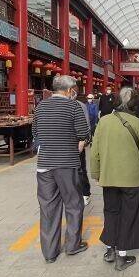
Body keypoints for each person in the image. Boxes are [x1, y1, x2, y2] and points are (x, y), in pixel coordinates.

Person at [90, 87, 139, 271]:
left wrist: (96, 173)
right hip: (131, 179)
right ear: (134, 103)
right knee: (129, 214)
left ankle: (110, 249)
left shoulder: (104, 122)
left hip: (109, 176)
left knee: (111, 211)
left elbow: (95, 151)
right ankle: (122, 255)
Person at [33, 75, 90, 263]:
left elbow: (35, 133)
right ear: (68, 90)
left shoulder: (40, 107)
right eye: (74, 89)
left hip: (44, 164)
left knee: (48, 207)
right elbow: (83, 133)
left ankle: (49, 253)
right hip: (67, 163)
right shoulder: (73, 107)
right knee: (73, 203)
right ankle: (73, 245)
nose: (75, 92)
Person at [76, 94, 94, 207]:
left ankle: (85, 193)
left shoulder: (81, 105)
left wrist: (85, 140)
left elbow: (87, 123)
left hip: (78, 143)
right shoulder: (82, 105)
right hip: (69, 144)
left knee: (80, 169)